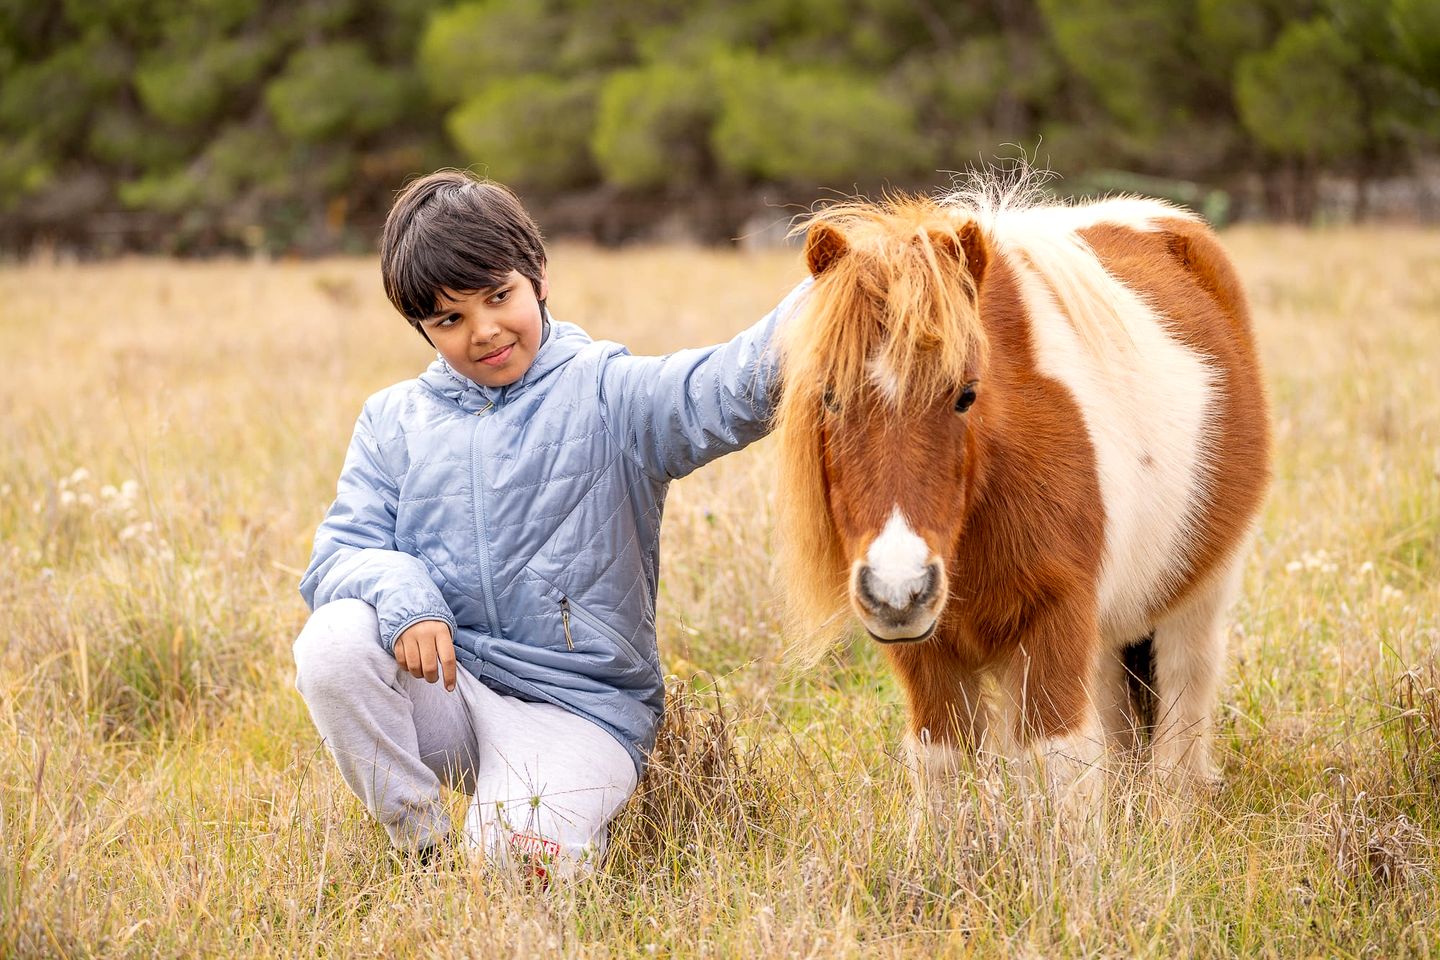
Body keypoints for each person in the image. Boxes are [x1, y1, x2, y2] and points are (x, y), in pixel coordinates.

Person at [291, 169, 809, 880]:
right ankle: (423, 850)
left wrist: (837, 281)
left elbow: (727, 388)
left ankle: (522, 833)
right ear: (421, 328)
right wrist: (404, 595)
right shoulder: (392, 422)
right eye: (449, 319)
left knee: (512, 867)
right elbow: (338, 556)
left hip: (580, 712)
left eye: (498, 296)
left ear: (537, 278)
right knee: (333, 644)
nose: (484, 331)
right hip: (454, 691)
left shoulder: (608, 390)